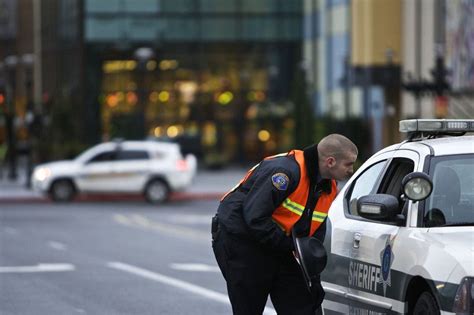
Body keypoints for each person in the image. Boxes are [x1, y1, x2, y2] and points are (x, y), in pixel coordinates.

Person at [211, 134, 358, 315]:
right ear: (330, 162)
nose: (352, 170)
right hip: (240, 240)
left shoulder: (328, 187)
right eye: (349, 164)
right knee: (249, 307)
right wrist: (289, 245)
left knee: (301, 304)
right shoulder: (284, 172)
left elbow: (312, 237)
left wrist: (314, 279)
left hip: (274, 241)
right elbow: (255, 218)